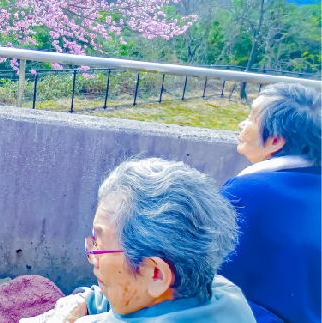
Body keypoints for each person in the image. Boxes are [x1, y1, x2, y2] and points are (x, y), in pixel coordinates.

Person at [22, 158, 255, 323]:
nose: (92, 257)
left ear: (156, 274)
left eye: (100, 246)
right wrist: (82, 300)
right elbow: (137, 296)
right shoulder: (225, 294)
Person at [219, 82, 322, 323]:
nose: (242, 124)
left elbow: (204, 270)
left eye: (251, 118)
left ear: (275, 141)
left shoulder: (246, 193)